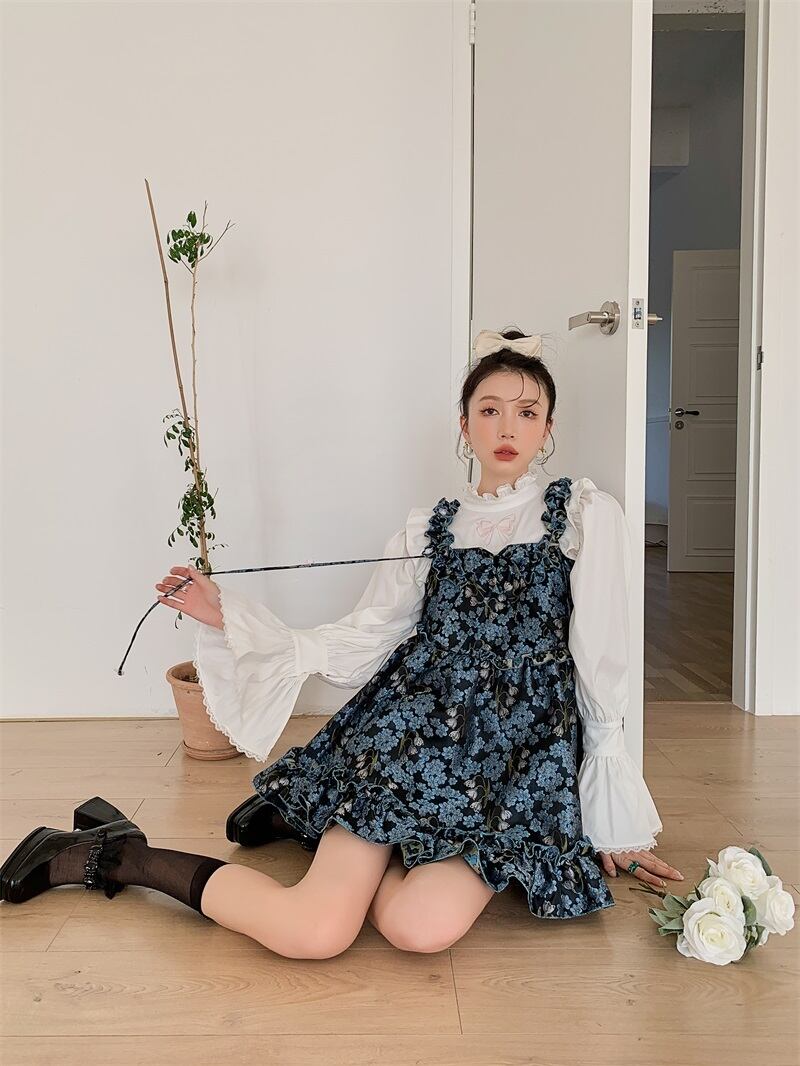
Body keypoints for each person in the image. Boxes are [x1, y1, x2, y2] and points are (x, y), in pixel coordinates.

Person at [0, 327, 684, 957]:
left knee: (420, 929)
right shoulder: (428, 528)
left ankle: (323, 825)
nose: (508, 428)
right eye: (490, 410)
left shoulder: (581, 514)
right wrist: (227, 615)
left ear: (549, 427)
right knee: (316, 933)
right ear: (464, 423)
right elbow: (367, 637)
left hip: (516, 764)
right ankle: (119, 853)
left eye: (527, 412)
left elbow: (602, 662)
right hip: (410, 741)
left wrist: (613, 819)